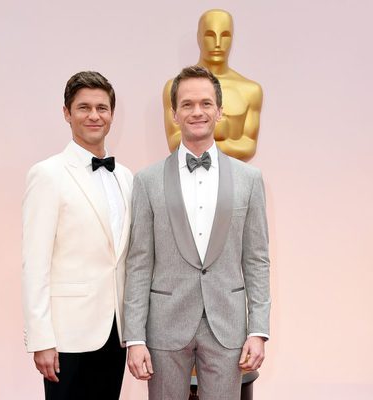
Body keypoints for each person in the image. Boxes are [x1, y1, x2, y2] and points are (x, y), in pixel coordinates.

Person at [124, 65, 270, 399]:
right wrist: (135, 338)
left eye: (205, 103)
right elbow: (139, 262)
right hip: (164, 326)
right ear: (174, 114)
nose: (197, 111)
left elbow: (257, 260)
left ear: (219, 111)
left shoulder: (250, 180)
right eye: (187, 104)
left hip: (228, 326)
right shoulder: (146, 181)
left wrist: (259, 329)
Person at [22, 71, 133, 399]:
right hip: (68, 336)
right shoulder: (48, 174)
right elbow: (35, 262)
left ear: (112, 115)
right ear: (67, 113)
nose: (94, 115)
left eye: (102, 108)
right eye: (84, 107)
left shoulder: (125, 177)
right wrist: (41, 340)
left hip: (116, 333)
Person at [163, 9, 263, 161]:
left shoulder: (251, 90)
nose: (217, 44)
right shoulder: (173, 87)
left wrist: (206, 135)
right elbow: (174, 143)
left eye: (225, 36)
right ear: (199, 38)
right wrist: (221, 135)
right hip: (186, 176)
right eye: (210, 35)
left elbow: (248, 146)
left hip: (235, 179)